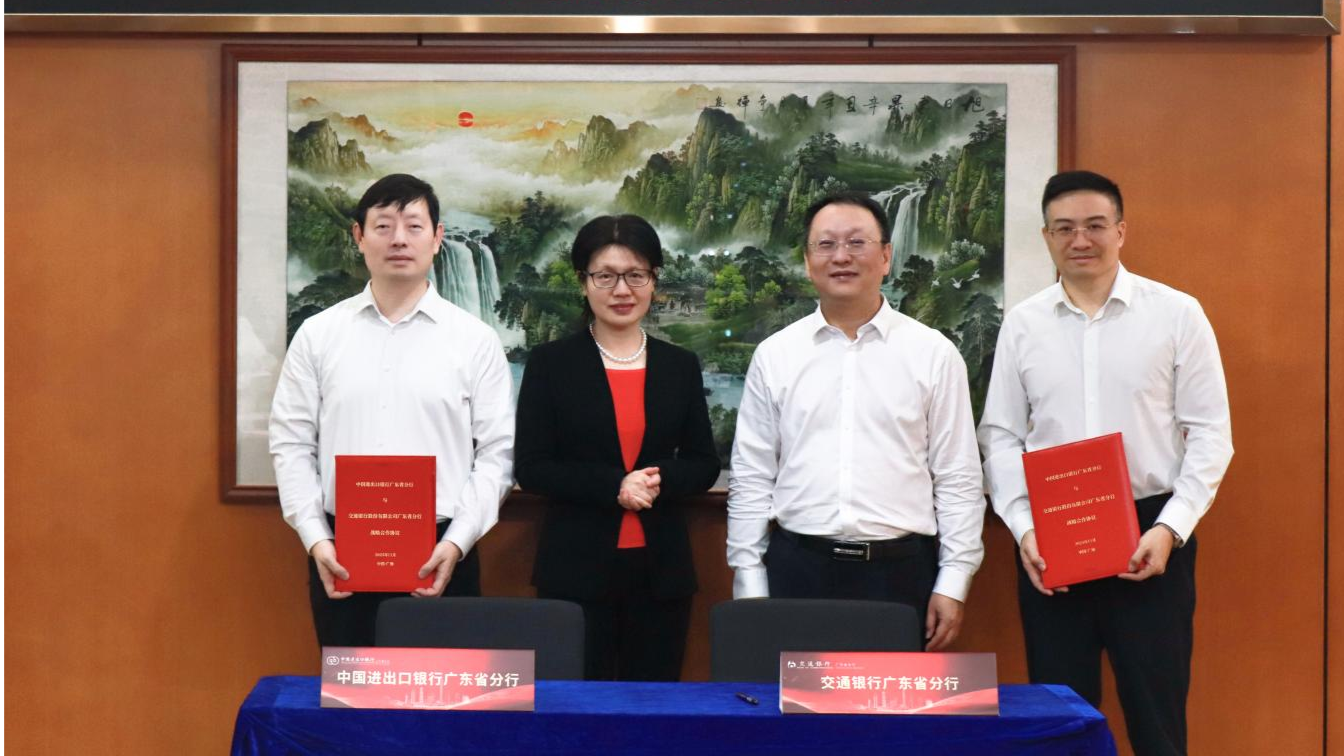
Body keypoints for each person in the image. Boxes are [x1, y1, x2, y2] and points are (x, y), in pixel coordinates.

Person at [978, 170, 1233, 756]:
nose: (1080, 240)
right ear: (1047, 237)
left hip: (1151, 534)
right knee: (1060, 720)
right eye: (1064, 228)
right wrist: (1025, 529)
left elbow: (1211, 434)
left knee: (1157, 720)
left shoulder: (1177, 314)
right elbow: (1001, 435)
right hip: (1051, 539)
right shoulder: (1024, 324)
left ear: (1121, 230)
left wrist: (1171, 528)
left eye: (1095, 225)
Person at [726, 193, 985, 651]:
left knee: (892, 701)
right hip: (797, 569)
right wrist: (749, 579)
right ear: (808, 261)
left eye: (856, 242)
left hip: (900, 574)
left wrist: (954, 580)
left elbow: (958, 476)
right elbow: (752, 475)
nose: (841, 256)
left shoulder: (933, 354)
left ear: (886, 256)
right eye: (826, 244)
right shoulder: (776, 355)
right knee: (792, 700)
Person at [269, 173, 515, 648]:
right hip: (341, 554)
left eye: (414, 226)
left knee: (444, 694)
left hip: (444, 552)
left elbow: (497, 454)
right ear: (359, 236)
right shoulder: (318, 336)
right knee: (354, 693)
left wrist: (458, 541)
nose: (399, 239)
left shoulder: (475, 341)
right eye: (383, 226)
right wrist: (316, 539)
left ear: (437, 238)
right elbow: (291, 443)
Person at [515, 214, 719, 681]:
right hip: (575, 571)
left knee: (652, 704)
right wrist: (615, 486)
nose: (622, 290)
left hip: (661, 574)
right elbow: (533, 466)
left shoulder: (679, 365)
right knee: (576, 705)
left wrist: (655, 481)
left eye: (635, 275)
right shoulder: (551, 364)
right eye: (605, 276)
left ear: (654, 280)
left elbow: (703, 462)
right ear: (583, 282)